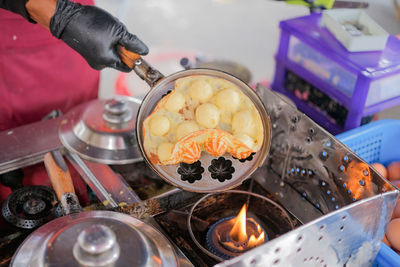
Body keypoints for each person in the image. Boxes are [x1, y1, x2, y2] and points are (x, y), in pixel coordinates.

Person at [0, 0, 148, 203]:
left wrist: (70, 18)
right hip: (14, 33)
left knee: (82, 129)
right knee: (22, 173)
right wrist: (61, 17)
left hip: (80, 26)